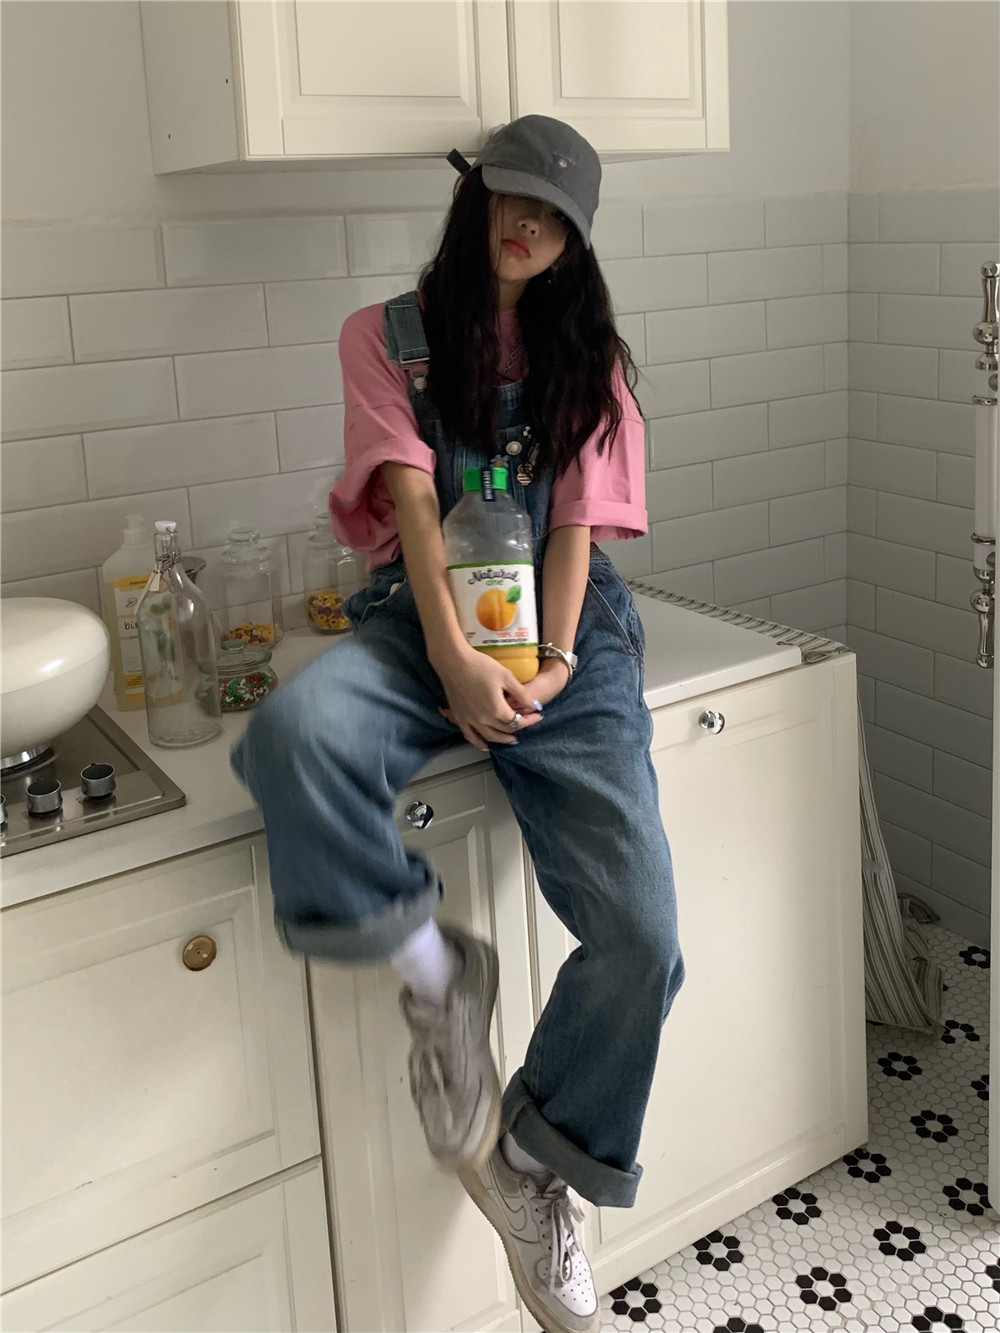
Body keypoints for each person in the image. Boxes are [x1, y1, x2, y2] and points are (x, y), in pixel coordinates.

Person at [230, 114, 685, 1333]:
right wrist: (450, 655)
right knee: (292, 739)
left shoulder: (592, 360)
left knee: (643, 939)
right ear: (475, 195)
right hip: (423, 615)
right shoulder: (386, 337)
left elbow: (574, 528)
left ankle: (532, 1162)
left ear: (576, 239)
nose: (527, 223)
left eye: (555, 214)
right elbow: (414, 507)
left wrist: (546, 663)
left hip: (567, 636)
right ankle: (439, 973)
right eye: (511, 195)